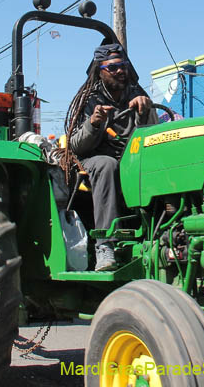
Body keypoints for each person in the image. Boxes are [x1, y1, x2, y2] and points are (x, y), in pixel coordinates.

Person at [65, 43, 157, 271]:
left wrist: (145, 113)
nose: (120, 71)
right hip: (93, 159)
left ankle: (157, 235)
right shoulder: (88, 100)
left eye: (123, 66)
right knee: (108, 165)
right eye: (113, 67)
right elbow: (76, 146)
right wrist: (93, 123)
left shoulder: (138, 95)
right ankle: (105, 245)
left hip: (129, 156)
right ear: (101, 71)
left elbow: (152, 137)